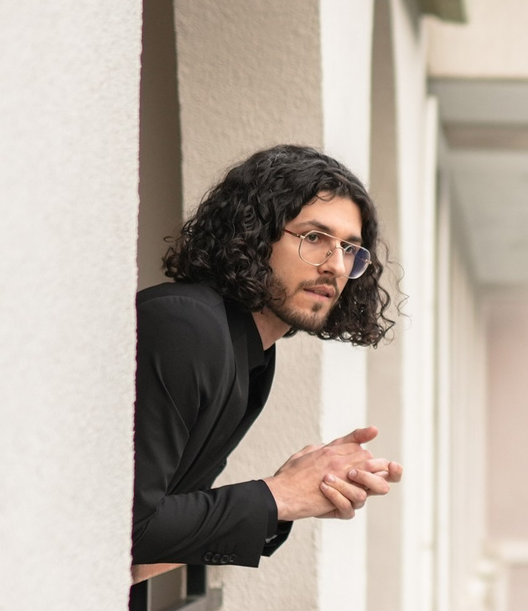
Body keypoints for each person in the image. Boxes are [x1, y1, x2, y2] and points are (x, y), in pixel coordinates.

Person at [132, 144, 402, 582]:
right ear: (254, 235)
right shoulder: (186, 326)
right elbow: (126, 527)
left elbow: (148, 542)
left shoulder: (255, 353)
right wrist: (279, 496)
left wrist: (297, 495)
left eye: (350, 248)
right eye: (314, 238)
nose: (335, 265)